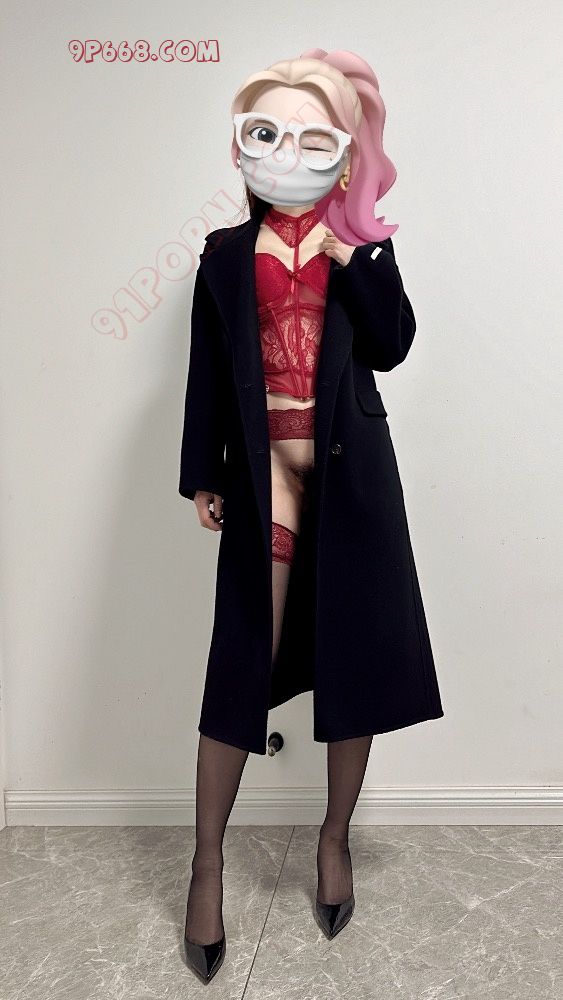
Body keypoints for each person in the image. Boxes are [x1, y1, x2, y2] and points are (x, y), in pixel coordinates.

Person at [178, 48, 444, 984]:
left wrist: (351, 256)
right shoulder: (222, 255)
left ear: (342, 154)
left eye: (312, 138)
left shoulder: (362, 248)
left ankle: (334, 840)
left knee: (350, 657)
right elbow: (208, 368)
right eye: (267, 134)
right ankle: (206, 865)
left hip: (350, 480)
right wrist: (200, 473)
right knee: (240, 663)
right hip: (261, 481)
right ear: (244, 146)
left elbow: (393, 346)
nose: (287, 153)